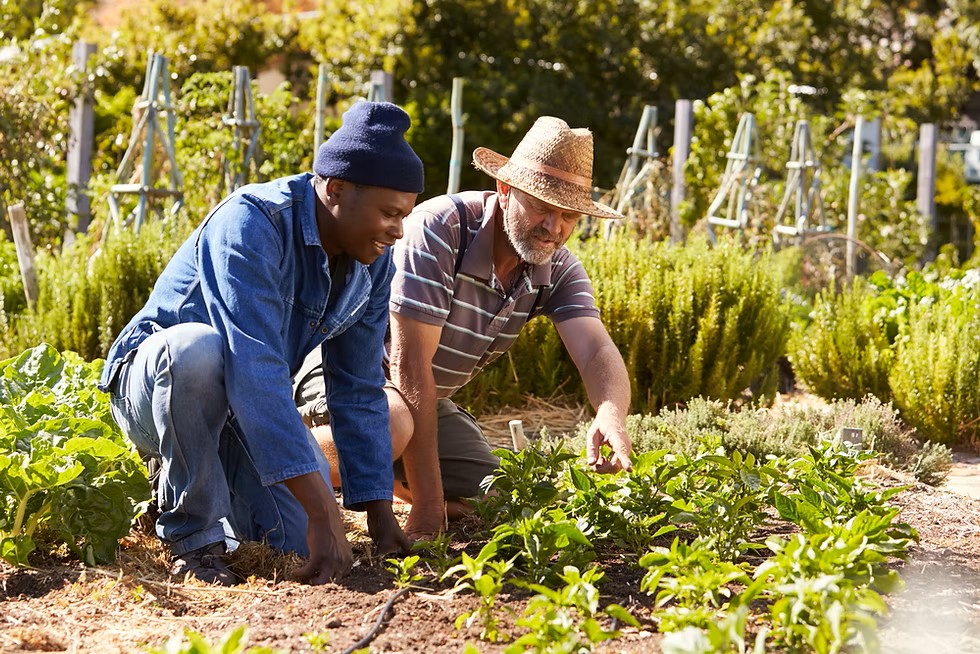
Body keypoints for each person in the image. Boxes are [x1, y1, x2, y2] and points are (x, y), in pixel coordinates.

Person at [99, 101, 422, 586]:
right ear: (336, 189)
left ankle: (210, 488)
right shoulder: (253, 222)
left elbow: (358, 388)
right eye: (390, 213)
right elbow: (254, 367)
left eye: (405, 215)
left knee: (297, 542)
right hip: (156, 389)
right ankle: (194, 538)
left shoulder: (372, 263)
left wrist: (378, 515)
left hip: (240, 407)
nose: (398, 231)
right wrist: (324, 510)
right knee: (196, 349)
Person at [295, 115, 634, 539]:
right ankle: (265, 471)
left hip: (422, 399)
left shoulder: (557, 267)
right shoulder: (442, 228)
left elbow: (597, 350)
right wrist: (428, 507)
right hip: (347, 374)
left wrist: (610, 413)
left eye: (568, 215)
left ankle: (382, 478)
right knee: (391, 425)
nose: (554, 227)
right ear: (505, 190)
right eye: (542, 207)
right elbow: (408, 364)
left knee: (501, 495)